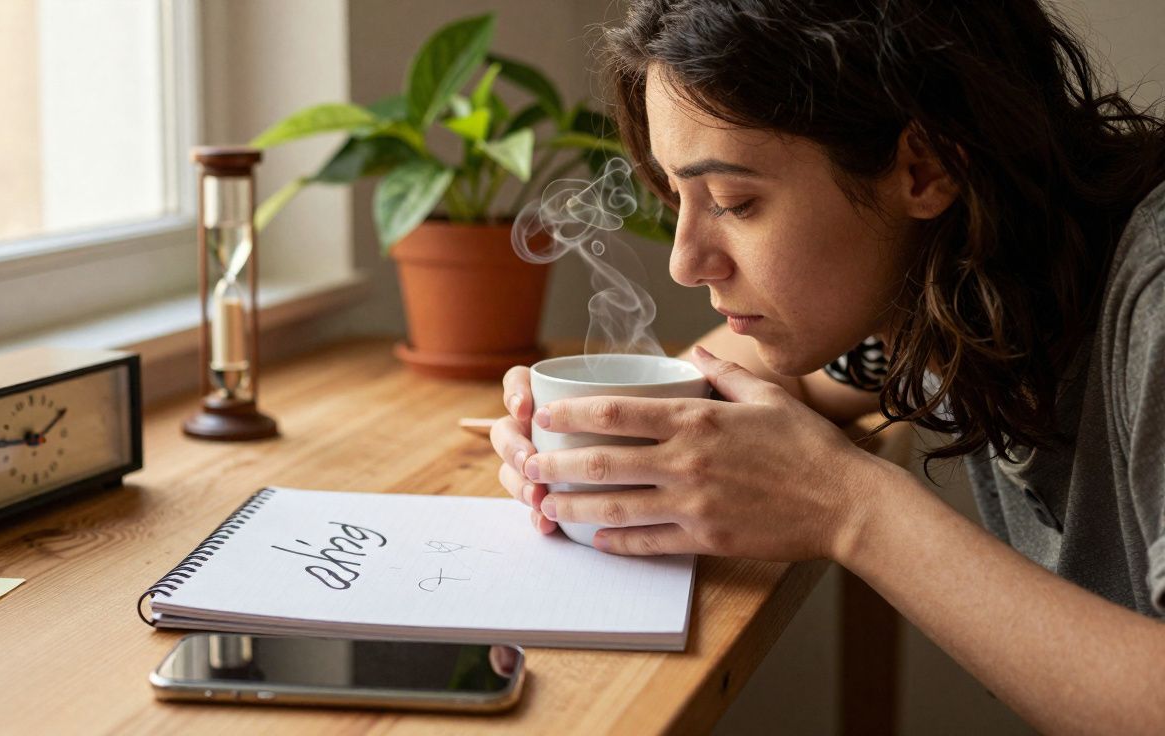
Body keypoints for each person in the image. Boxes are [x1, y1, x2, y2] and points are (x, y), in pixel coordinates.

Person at [489, 1, 1165, 732]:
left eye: (734, 201)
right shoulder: (967, 300)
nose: (686, 262)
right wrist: (603, 426)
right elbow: (787, 378)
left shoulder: (1153, 295)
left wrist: (851, 509)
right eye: (679, 196)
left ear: (924, 167)